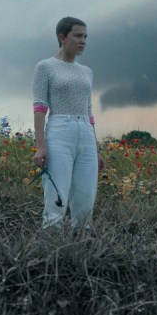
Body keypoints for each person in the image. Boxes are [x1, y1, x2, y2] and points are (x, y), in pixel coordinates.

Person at [32, 16, 105, 231]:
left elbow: (89, 111)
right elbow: (39, 107)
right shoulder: (45, 67)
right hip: (59, 130)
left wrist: (96, 148)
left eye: (85, 36)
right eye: (78, 35)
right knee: (57, 197)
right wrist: (40, 145)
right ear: (62, 37)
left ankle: (80, 253)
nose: (83, 41)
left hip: (85, 133)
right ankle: (49, 252)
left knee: (85, 200)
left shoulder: (87, 72)